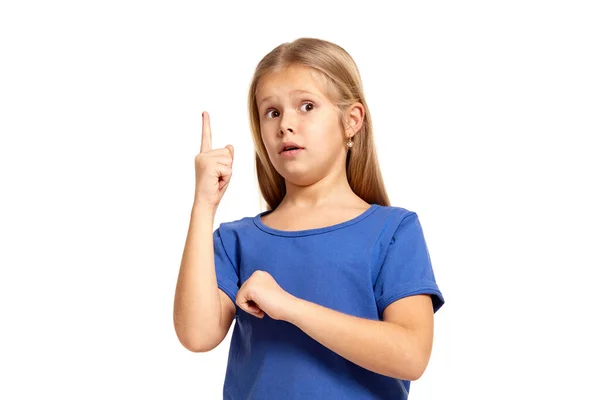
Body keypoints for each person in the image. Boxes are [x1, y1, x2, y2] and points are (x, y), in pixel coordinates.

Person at [174, 37, 445, 399]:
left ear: (351, 121)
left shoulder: (393, 231)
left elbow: (411, 355)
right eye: (272, 112)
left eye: (306, 106)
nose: (285, 124)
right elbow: (196, 335)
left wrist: (289, 307)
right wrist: (203, 206)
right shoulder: (235, 240)